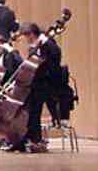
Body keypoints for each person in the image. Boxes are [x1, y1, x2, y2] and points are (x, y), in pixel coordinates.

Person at [12, 22, 65, 153]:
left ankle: (34, 140)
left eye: (26, 36)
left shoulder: (48, 45)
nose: (26, 40)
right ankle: (25, 139)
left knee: (33, 110)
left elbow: (54, 61)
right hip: (37, 84)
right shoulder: (37, 46)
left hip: (47, 84)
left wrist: (42, 57)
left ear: (31, 34)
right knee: (30, 109)